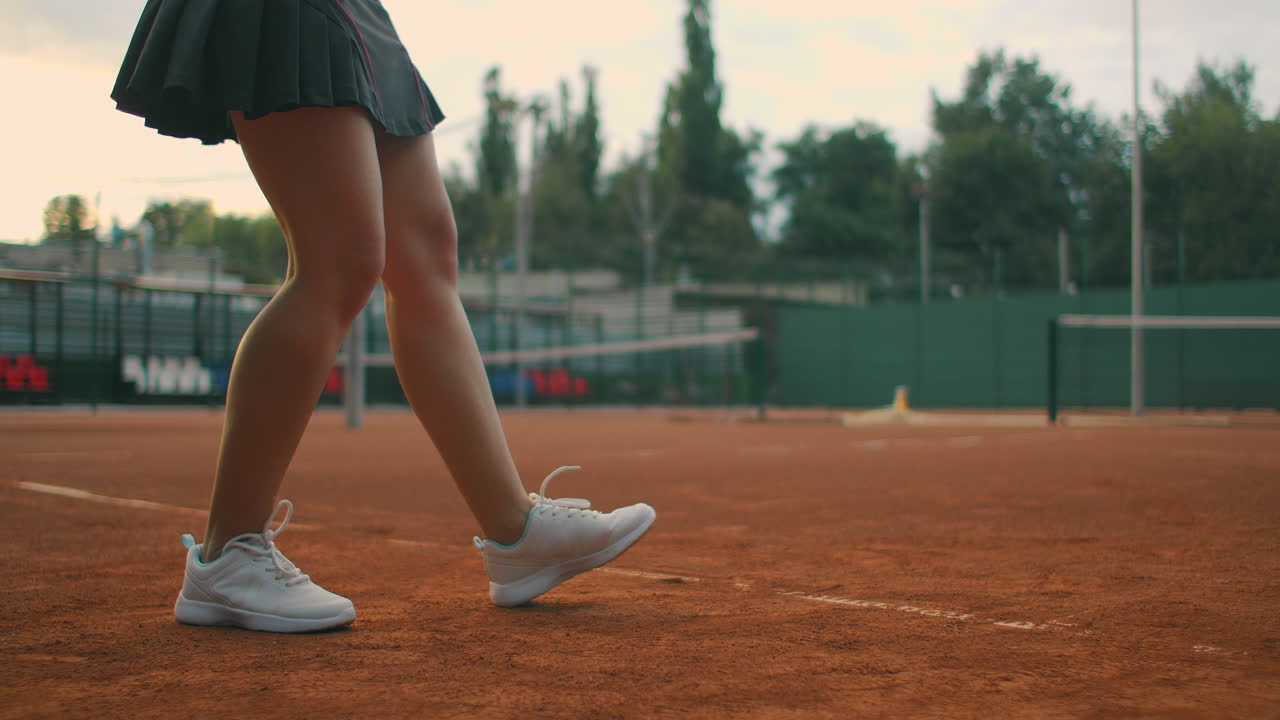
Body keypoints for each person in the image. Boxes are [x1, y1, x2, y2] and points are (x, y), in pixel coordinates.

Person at [111, 0, 655, 633]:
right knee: (338, 261)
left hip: (357, 13)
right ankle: (226, 554)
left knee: (423, 257)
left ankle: (517, 532)